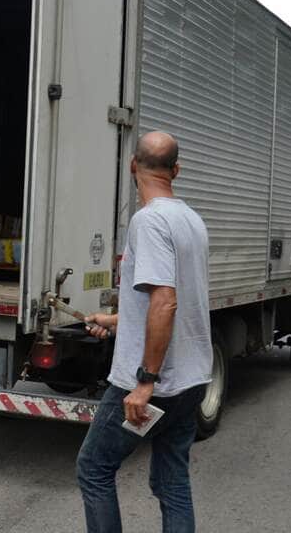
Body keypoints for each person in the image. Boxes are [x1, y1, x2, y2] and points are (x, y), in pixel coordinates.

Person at [76, 131, 212, 532]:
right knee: (171, 482)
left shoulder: (149, 221)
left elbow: (165, 302)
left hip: (156, 385)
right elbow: (174, 305)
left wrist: (145, 382)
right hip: (191, 381)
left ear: (133, 165)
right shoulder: (191, 220)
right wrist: (115, 322)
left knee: (94, 468)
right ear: (176, 170)